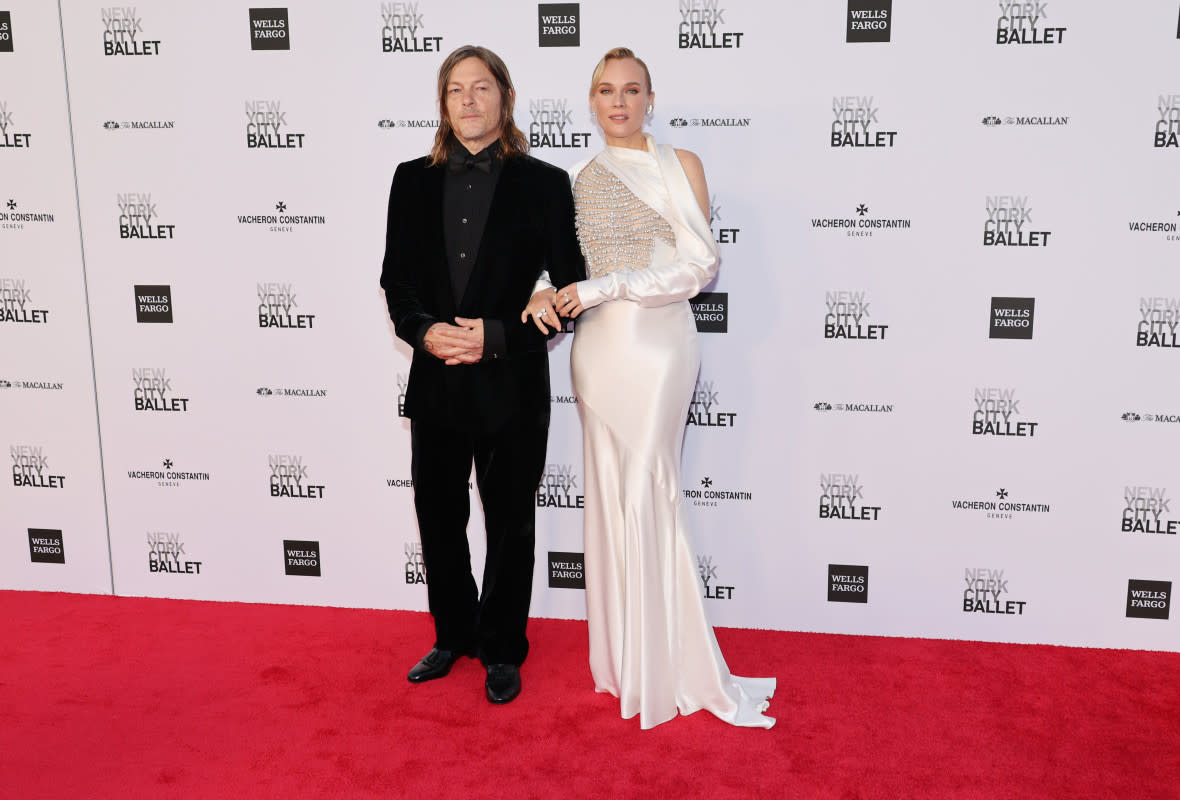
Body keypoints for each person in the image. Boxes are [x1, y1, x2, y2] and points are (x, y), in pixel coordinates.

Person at [524, 47, 775, 729]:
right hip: (598, 350)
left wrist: (604, 286)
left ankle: (668, 664)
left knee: (648, 488)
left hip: (660, 345)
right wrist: (545, 291)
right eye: (606, 90)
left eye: (632, 90)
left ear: (650, 98)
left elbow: (700, 264)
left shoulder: (679, 165)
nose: (619, 102)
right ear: (590, 99)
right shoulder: (570, 176)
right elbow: (553, 267)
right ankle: (624, 660)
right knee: (608, 494)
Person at [380, 45, 584, 704]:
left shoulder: (546, 183)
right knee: (438, 514)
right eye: (456, 90)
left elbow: (569, 289)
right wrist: (423, 331)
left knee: (509, 522)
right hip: (436, 378)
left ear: (505, 98)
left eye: (482, 88)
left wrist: (496, 337)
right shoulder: (410, 179)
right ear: (443, 104)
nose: (469, 100)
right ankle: (451, 635)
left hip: (512, 381)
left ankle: (501, 647)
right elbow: (396, 280)